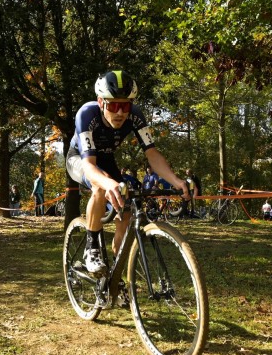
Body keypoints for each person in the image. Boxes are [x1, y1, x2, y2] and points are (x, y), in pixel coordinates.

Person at [66, 70, 189, 275]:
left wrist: (176, 180)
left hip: (106, 160)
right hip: (80, 158)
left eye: (125, 105)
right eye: (114, 105)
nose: (121, 112)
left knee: (126, 214)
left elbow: (152, 154)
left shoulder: (135, 115)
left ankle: (116, 276)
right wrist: (108, 183)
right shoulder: (86, 114)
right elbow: (89, 166)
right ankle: (92, 247)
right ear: (100, 101)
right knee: (100, 186)